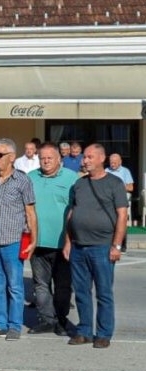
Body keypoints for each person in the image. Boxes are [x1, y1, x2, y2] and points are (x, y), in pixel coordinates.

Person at [64, 144, 128, 349]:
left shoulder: (114, 183)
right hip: (78, 247)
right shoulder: (79, 184)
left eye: (90, 157)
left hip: (102, 247)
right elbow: (71, 213)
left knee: (103, 293)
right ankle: (84, 331)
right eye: (84, 157)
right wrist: (67, 242)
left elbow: (122, 215)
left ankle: (103, 333)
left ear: (102, 158)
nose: (85, 161)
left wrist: (116, 245)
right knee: (81, 292)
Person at [0, 138, 37, 341]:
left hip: (12, 241)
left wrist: (33, 240)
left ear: (11, 157)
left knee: (15, 286)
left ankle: (14, 325)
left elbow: (30, 212)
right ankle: (0, 324)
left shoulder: (22, 180)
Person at [28, 143, 78, 335]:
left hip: (63, 243)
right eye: (42, 158)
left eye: (50, 157)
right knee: (41, 285)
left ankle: (61, 320)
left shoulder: (72, 178)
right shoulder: (30, 177)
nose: (46, 161)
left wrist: (71, 239)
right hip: (37, 241)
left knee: (63, 286)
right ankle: (46, 320)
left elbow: (77, 209)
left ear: (59, 159)